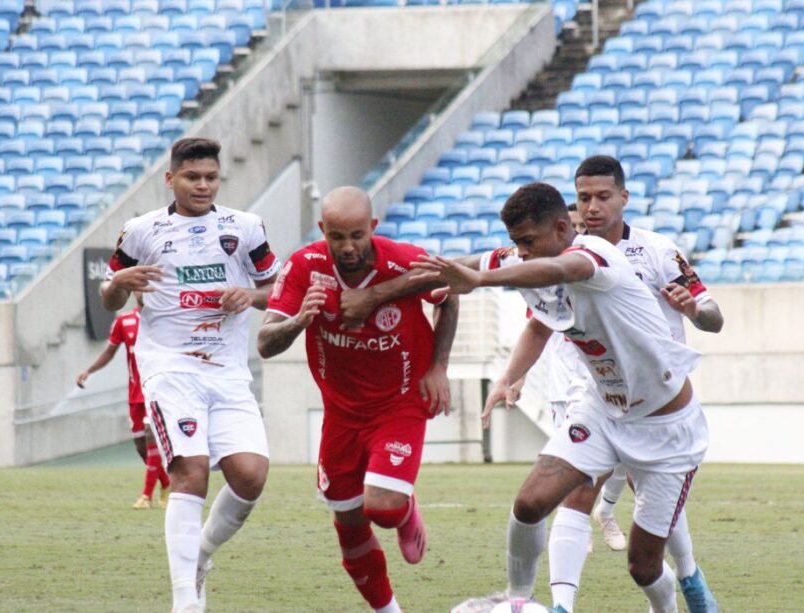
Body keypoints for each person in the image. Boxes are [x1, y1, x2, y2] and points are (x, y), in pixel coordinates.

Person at [412, 183, 709, 613]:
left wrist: (480, 281)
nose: (521, 252)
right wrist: (389, 286)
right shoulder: (527, 259)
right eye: (516, 243)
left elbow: (562, 271)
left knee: (643, 566)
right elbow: (465, 267)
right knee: (530, 504)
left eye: (528, 242)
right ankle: (517, 600)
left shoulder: (595, 255)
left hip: (666, 427)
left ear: (558, 228)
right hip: (603, 410)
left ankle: (672, 606)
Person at [257, 186, 459, 613]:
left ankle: (403, 513)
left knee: (382, 508)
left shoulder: (402, 259)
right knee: (348, 525)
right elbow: (265, 343)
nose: (347, 247)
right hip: (341, 413)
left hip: (400, 403)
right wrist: (299, 320)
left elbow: (449, 290)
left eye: (356, 236)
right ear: (322, 230)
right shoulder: (304, 266)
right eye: (337, 237)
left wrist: (439, 366)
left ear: (373, 227)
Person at [101, 138, 280, 613]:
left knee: (251, 476)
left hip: (227, 370)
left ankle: (197, 555)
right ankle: (186, 602)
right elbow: (109, 296)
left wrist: (250, 296)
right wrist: (119, 283)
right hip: (170, 367)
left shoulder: (244, 227)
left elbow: (275, 286)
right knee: (191, 472)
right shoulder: (141, 231)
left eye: (210, 177)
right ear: (171, 179)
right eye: (192, 177)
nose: (202, 185)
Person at [539, 155, 721, 613]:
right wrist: (513, 376)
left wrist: (694, 310)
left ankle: (689, 575)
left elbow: (715, 317)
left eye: (603, 196)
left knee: (651, 508)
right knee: (578, 490)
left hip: (655, 402)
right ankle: (562, 605)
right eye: (584, 198)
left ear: (624, 197)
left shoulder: (658, 251)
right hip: (592, 394)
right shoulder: (565, 255)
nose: (593, 206)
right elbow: (540, 321)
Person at [76, 292, 171, 510]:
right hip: (134, 393)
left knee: (150, 436)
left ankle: (146, 496)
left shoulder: (165, 320)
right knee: (141, 446)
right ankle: (166, 484)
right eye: (141, 289)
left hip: (156, 390)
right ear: (134, 292)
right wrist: (88, 371)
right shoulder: (124, 321)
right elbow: (109, 352)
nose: (144, 293)